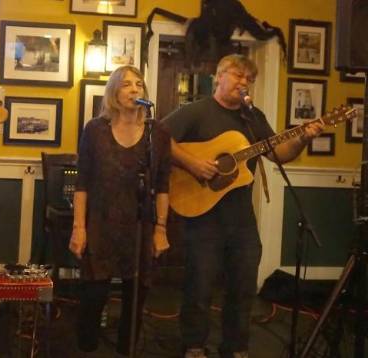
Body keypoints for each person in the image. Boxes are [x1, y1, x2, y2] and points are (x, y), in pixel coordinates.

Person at [162, 54, 323, 358]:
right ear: (219, 76)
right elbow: (158, 137)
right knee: (199, 288)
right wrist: (194, 163)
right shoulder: (196, 111)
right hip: (203, 216)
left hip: (241, 219)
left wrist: (303, 139)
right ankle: (194, 346)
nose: (244, 82)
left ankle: (236, 348)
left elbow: (277, 153)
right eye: (238, 75)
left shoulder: (252, 117)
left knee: (244, 287)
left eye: (249, 78)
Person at [69, 65, 171, 356]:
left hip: (140, 226)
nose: (134, 89)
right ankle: (86, 349)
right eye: (126, 84)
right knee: (93, 295)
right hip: (101, 223)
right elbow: (82, 183)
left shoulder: (158, 133)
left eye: (138, 84)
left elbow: (163, 185)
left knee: (135, 297)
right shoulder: (95, 130)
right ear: (114, 91)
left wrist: (161, 229)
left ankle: (126, 349)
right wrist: (79, 228)